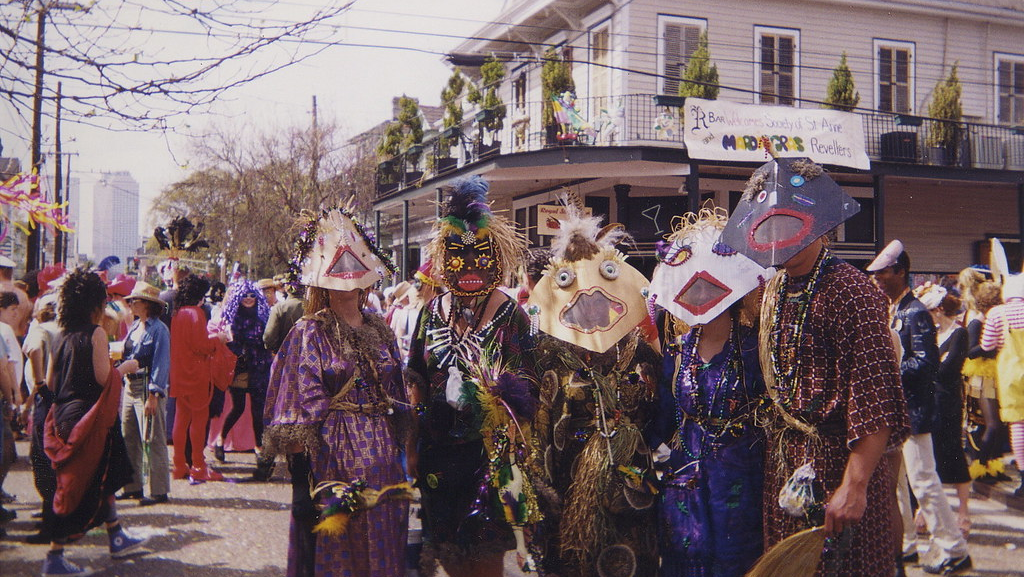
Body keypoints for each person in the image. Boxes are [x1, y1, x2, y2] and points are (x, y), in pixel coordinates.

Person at [721, 157, 910, 577]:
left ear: (817, 222)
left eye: (787, 225)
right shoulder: (773, 290)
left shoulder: (854, 292)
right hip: (786, 468)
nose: (777, 238)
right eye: (768, 227)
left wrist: (854, 486)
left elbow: (874, 401)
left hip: (839, 468)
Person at [263, 207, 411, 576]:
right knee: (340, 550)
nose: (347, 279)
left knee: (382, 547)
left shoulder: (381, 329)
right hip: (333, 460)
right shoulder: (307, 332)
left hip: (384, 462)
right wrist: (302, 486)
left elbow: (398, 394)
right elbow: (295, 408)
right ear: (320, 282)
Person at [407, 176, 538, 577]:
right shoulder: (432, 312)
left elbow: (530, 390)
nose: (468, 266)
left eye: (479, 255)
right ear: (444, 260)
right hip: (437, 455)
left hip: (489, 458)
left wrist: (504, 396)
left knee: (484, 560)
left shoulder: (510, 316)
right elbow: (414, 376)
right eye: (457, 255)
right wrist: (412, 447)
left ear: (496, 259)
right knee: (445, 553)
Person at [528, 198, 661, 577]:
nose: (591, 306)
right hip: (569, 477)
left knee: (632, 552)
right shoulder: (548, 353)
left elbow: (660, 408)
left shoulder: (640, 351)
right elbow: (540, 419)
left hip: (629, 473)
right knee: (576, 556)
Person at [647, 207, 774, 577]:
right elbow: (664, 418)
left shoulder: (755, 350)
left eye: (711, 284)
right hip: (685, 481)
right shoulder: (678, 350)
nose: (701, 293)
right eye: (694, 285)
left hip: (743, 480)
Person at [867, 241, 970, 574]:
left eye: (883, 272)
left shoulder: (914, 313)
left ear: (901, 271)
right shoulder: (898, 309)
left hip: (915, 413)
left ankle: (954, 549)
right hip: (901, 412)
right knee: (899, 485)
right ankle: (907, 544)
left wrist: (888, 370)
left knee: (923, 481)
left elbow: (926, 365)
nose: (877, 279)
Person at [40, 269, 147, 576]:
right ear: (95, 305)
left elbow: (50, 381)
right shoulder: (96, 333)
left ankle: (116, 535)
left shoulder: (61, 336)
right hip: (89, 419)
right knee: (76, 487)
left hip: (62, 416)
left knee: (108, 472)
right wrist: (125, 367)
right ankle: (55, 557)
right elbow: (104, 378)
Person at [915, 283, 972, 535]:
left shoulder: (959, 334)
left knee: (953, 452)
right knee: (931, 455)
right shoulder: (933, 335)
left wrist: (928, 367)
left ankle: (963, 511)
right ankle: (925, 510)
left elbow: (948, 368)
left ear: (937, 310)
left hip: (948, 402)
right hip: (931, 400)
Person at [213, 279, 274, 480]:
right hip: (240, 369)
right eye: (245, 296)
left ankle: (259, 451)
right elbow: (229, 344)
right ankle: (220, 440)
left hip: (260, 369)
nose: (248, 299)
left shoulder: (263, 316)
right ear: (238, 298)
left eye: (252, 296)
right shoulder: (232, 318)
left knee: (258, 412)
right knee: (238, 408)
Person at [117, 281, 171, 506]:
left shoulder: (159, 330)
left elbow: (161, 362)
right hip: (130, 386)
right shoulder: (135, 326)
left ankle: (159, 491)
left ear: (147, 304)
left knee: (152, 438)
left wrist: (154, 394)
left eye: (134, 300)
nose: (130, 303)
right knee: (129, 436)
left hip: (147, 386)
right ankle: (132, 486)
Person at [170, 274, 227, 483]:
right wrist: (217, 340)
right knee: (198, 421)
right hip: (197, 374)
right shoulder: (196, 313)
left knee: (181, 418)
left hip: (179, 373)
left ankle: (178, 464)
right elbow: (202, 346)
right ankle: (198, 466)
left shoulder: (178, 313)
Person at [980, 238, 1024, 498]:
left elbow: (988, 345)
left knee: (1018, 426)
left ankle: (1023, 477)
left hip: (1012, 377)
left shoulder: (997, 313)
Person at [958, 269, 1006, 481]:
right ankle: (979, 466)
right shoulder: (977, 320)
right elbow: (970, 351)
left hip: (994, 374)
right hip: (981, 376)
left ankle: (992, 466)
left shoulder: (989, 319)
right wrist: (992, 347)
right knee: (993, 424)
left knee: (997, 424)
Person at [264, 283, 305, 355]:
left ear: (287, 288)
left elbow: (269, 337)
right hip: (308, 356)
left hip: (284, 355)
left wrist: (275, 350)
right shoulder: (313, 306)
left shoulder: (280, 307)